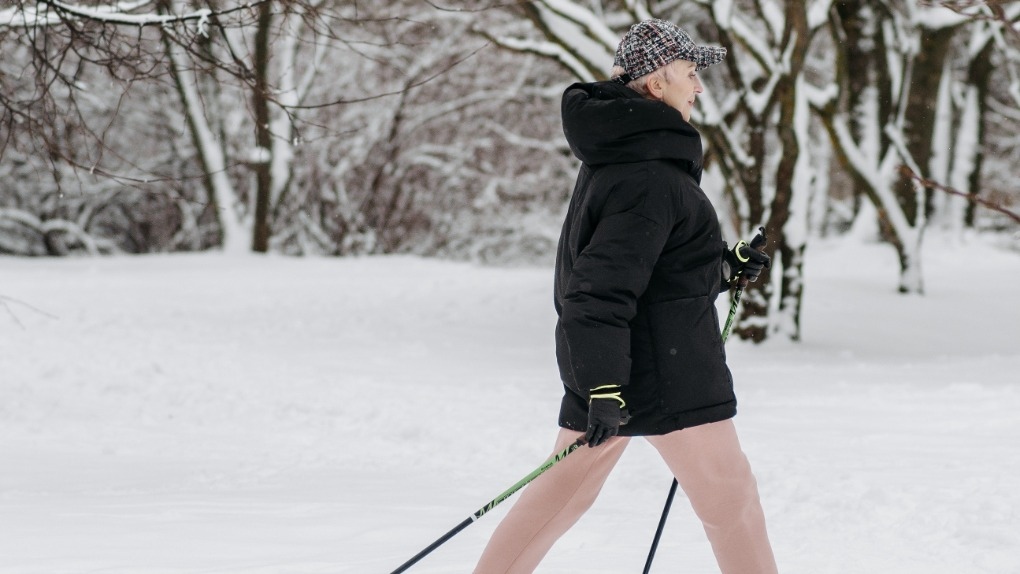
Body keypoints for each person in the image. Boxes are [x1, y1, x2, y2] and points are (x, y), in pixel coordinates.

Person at [473, 18, 778, 574]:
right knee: (734, 502)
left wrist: (721, 268)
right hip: (665, 377)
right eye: (690, 73)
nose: (700, 87)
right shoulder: (649, 175)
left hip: (623, 370)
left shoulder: (624, 157)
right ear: (657, 84)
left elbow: (653, 277)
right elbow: (596, 291)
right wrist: (605, 385)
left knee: (559, 499)